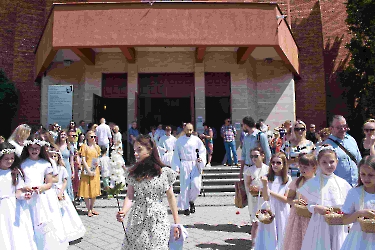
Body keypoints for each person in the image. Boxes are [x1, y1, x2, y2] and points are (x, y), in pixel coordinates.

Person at [116, 134, 181, 249]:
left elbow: (171, 197)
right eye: (134, 150)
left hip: (158, 219)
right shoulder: (133, 173)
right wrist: (124, 211)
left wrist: (177, 223)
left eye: (139, 149)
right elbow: (130, 196)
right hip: (137, 218)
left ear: (150, 150)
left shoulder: (164, 173)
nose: (135, 153)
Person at [20, 135, 69, 249]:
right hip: (26, 197)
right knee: (28, 222)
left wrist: (41, 188)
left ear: (41, 149)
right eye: (32, 148)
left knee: (42, 223)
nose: (34, 150)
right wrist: (25, 188)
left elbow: (50, 183)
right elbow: (19, 181)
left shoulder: (45, 164)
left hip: (41, 197)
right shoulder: (22, 163)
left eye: (37, 148)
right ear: (27, 149)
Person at [299, 145, 352, 250]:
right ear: (318, 164)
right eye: (324, 162)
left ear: (337, 161)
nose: (328, 165)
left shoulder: (342, 183)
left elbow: (349, 205)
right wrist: (316, 208)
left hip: (338, 224)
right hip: (320, 223)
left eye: (332, 162)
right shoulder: (313, 183)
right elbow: (306, 205)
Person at [0, 142, 37, 250]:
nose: (10, 161)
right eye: (6, 159)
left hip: (13, 206)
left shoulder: (15, 172)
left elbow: (18, 192)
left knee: (13, 231)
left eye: (12, 158)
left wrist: (24, 196)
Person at [257, 152, 292, 250]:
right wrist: (264, 185)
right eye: (273, 163)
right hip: (269, 209)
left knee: (282, 232)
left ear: (284, 164)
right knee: (269, 234)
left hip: (281, 210)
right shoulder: (266, 177)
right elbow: (265, 198)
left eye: (278, 163)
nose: (275, 165)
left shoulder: (287, 179)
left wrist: (270, 191)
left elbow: (286, 199)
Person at [283, 153, 317, 250]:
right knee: (297, 241)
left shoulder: (318, 183)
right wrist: (294, 202)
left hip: (312, 217)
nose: (302, 169)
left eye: (306, 167)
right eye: (301, 166)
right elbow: (289, 198)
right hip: (298, 216)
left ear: (314, 168)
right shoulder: (297, 182)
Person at [50, 150, 86, 242]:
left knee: (64, 211)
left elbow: (65, 181)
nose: (53, 158)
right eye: (51, 156)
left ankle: (68, 231)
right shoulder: (49, 169)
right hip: (50, 192)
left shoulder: (61, 168)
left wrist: (61, 192)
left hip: (59, 190)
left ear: (58, 158)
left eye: (55, 156)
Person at [340, 155, 375, 249]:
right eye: (363, 174)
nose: (366, 178)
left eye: (371, 175)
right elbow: (344, 220)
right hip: (358, 241)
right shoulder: (354, 192)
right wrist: (359, 213)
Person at [172, 123, 206, 216]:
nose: (189, 132)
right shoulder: (179, 141)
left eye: (191, 130)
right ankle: (186, 207)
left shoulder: (196, 140)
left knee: (196, 185)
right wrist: (177, 167)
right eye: (188, 130)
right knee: (185, 186)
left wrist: (201, 159)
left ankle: (191, 200)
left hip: (194, 164)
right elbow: (176, 155)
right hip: (184, 164)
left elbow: (202, 151)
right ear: (184, 129)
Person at [323, 115, 362, 186]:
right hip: (339, 187)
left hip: (356, 186)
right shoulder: (327, 145)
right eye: (339, 127)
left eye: (345, 126)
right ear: (331, 128)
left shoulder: (351, 140)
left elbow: (359, 161)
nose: (343, 129)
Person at [243, 147, 269, 244]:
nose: (254, 158)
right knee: (255, 222)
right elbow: (247, 184)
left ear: (262, 155)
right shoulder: (249, 170)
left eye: (256, 156)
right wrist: (252, 188)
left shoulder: (268, 169)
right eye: (252, 156)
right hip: (253, 198)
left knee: (265, 221)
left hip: (265, 198)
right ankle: (254, 244)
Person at [78, 130, 101, 217]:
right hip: (87, 169)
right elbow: (83, 159)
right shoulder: (84, 147)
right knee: (86, 189)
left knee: (94, 189)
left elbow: (98, 157)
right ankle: (88, 209)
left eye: (95, 137)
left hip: (95, 169)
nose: (93, 138)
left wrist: (97, 165)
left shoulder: (97, 147)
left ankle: (92, 207)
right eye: (91, 137)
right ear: (87, 137)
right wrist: (88, 170)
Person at [55, 130, 75, 201]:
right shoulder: (56, 146)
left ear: (67, 136)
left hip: (67, 167)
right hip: (58, 167)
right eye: (61, 134)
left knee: (67, 183)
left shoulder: (70, 147)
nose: (63, 136)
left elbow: (71, 160)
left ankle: (68, 200)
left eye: (64, 134)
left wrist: (73, 171)